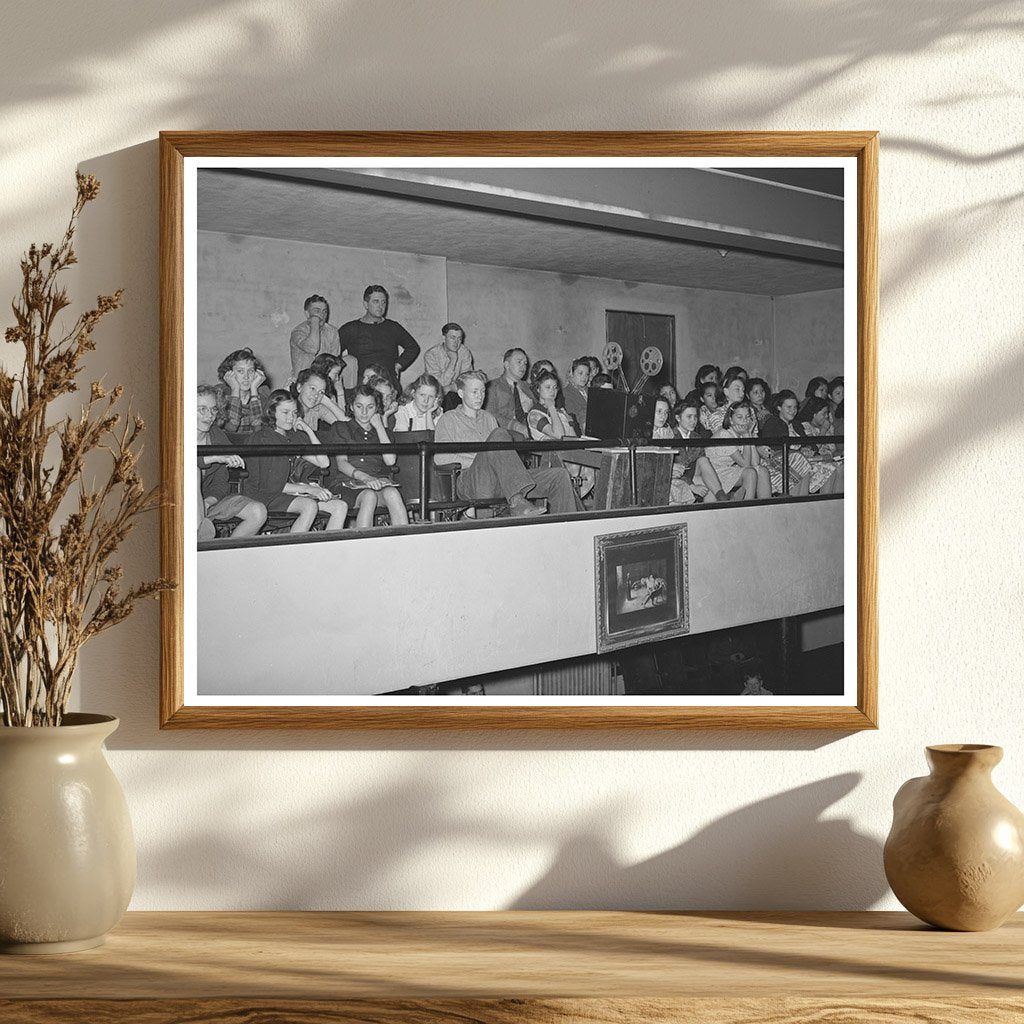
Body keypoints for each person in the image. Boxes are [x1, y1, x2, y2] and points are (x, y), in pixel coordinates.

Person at [434, 370, 579, 517]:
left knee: (559, 476)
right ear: (460, 393)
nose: (480, 396)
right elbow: (440, 458)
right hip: (472, 481)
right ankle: (517, 501)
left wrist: (494, 458)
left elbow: (501, 458)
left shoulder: (489, 418)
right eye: (475, 392)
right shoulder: (448, 419)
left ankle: (569, 529)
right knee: (500, 434)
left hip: (503, 480)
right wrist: (486, 457)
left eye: (483, 391)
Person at [242, 390, 347, 533]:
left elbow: (323, 462)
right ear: (271, 413)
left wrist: (308, 430)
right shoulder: (264, 439)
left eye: (294, 413)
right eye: (285, 413)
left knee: (340, 506)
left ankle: (325, 553)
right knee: (309, 505)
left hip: (290, 493)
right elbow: (272, 485)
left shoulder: (293, 436)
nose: (291, 418)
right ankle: (293, 552)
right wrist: (308, 489)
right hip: (265, 495)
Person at [320, 385, 409, 529]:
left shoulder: (382, 432)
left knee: (392, 493)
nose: (364, 412)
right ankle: (365, 545)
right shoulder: (341, 427)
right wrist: (366, 478)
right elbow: (341, 463)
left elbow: (390, 460)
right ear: (351, 406)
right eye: (359, 406)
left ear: (377, 409)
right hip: (347, 484)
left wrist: (379, 427)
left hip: (375, 483)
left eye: (370, 407)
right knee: (369, 496)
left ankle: (405, 541)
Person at [196, 385, 267, 540]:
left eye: (213, 409)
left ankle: (225, 554)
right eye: (202, 409)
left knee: (258, 511)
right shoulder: (176, 434)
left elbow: (222, 483)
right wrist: (215, 457)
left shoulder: (217, 436)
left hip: (208, 504)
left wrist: (207, 503)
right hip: (178, 505)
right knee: (193, 471)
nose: (209, 416)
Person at [527, 370, 600, 497]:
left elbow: (572, 437)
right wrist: (551, 408)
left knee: (603, 459)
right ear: (538, 389)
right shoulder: (535, 414)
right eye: (548, 387)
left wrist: (568, 420)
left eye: (555, 387)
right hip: (553, 459)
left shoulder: (560, 412)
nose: (552, 391)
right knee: (596, 464)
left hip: (570, 453)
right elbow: (559, 435)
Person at [337, 285, 421, 387]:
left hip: (388, 382)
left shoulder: (392, 327)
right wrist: (345, 372)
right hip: (362, 384)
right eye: (376, 301)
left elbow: (413, 347)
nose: (380, 306)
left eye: (383, 302)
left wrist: (398, 365)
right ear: (366, 304)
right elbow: (333, 352)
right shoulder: (351, 328)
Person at [707, 400, 770, 501]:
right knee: (750, 473)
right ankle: (746, 511)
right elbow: (746, 464)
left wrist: (749, 435)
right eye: (740, 417)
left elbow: (755, 463)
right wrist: (746, 436)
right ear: (731, 420)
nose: (744, 421)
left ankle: (766, 509)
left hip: (728, 470)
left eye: (747, 417)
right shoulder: (725, 434)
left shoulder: (742, 433)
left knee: (762, 471)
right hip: (714, 473)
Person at [672, 399, 728, 504]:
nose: (693, 421)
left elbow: (703, 465)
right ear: (678, 418)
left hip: (692, 473)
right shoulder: (669, 436)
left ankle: (721, 497)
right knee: (705, 483)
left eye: (695, 417)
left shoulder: (696, 437)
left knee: (703, 460)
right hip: (678, 477)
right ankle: (722, 499)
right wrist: (691, 485)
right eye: (689, 417)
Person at [759, 390, 812, 497]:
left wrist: (807, 448)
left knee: (832, 467)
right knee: (799, 462)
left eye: (795, 407)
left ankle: (803, 506)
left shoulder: (797, 425)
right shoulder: (772, 422)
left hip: (799, 460)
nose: (793, 411)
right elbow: (770, 446)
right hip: (777, 463)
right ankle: (791, 505)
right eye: (789, 407)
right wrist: (797, 452)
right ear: (779, 407)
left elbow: (808, 443)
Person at [214, 347, 271, 438]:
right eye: (240, 371)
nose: (246, 377)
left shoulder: (264, 396)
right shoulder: (219, 395)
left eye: (250, 371)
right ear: (229, 373)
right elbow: (231, 428)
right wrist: (235, 390)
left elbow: (259, 431)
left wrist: (254, 391)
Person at [484, 347, 534, 438]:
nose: (523, 366)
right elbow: (490, 414)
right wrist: (516, 426)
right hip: (506, 433)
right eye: (519, 362)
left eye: (525, 364)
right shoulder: (492, 386)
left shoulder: (529, 388)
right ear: (507, 365)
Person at [423, 322, 474, 406]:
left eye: (459, 339)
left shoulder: (464, 352)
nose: (456, 342)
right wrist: (453, 360)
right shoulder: (431, 355)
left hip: (457, 393)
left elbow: (467, 382)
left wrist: (450, 388)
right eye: (453, 338)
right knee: (447, 399)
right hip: (435, 396)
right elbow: (439, 385)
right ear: (443, 338)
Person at [289, 294, 340, 378]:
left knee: (350, 360)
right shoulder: (298, 331)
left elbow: (334, 360)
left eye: (325, 311)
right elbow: (312, 348)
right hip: (304, 380)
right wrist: (315, 323)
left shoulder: (332, 331)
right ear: (307, 313)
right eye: (317, 311)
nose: (322, 315)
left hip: (326, 378)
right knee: (307, 357)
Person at [562, 358, 591, 431]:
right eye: (580, 373)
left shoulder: (590, 391)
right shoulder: (566, 392)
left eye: (587, 374)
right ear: (572, 373)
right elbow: (572, 414)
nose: (584, 377)